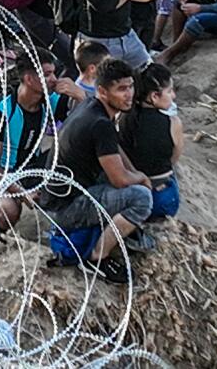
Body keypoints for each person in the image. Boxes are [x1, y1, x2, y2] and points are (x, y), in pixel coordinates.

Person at [44, 58, 152, 284]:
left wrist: (134, 172)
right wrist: (140, 178)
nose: (129, 94)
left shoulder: (91, 105)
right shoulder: (100, 123)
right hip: (65, 210)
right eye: (121, 89)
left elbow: (114, 151)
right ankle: (98, 258)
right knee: (142, 198)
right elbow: (120, 179)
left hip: (61, 195)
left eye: (130, 86)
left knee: (128, 182)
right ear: (102, 91)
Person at [0, 53, 61, 231]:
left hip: (32, 167)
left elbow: (87, 121)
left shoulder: (51, 100)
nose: (54, 80)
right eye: (47, 74)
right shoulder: (2, 109)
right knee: (7, 211)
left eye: (54, 73)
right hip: (3, 173)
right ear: (29, 79)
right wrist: (22, 193)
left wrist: (78, 94)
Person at [118, 63, 183, 221]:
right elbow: (174, 158)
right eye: (169, 91)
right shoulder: (173, 122)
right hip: (162, 200)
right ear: (154, 96)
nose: (173, 95)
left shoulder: (123, 119)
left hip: (129, 196)